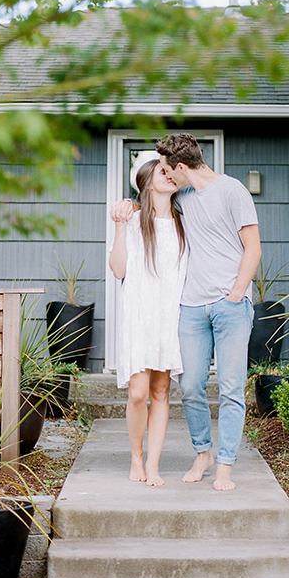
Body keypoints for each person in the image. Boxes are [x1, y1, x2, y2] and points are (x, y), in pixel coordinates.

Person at [156, 132, 261, 492]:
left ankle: (225, 465)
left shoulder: (233, 191)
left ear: (182, 167)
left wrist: (235, 295)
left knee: (231, 388)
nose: (167, 177)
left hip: (230, 306)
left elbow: (253, 249)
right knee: (190, 385)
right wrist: (128, 207)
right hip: (190, 307)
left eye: (170, 171)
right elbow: (151, 198)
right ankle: (203, 452)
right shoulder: (181, 196)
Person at [109, 156, 188, 486]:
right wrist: (118, 226)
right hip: (140, 316)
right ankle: (136, 458)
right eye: (162, 172)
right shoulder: (133, 219)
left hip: (169, 316)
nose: (169, 175)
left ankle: (153, 465)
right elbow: (118, 270)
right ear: (146, 182)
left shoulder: (186, 221)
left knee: (161, 392)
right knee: (138, 393)